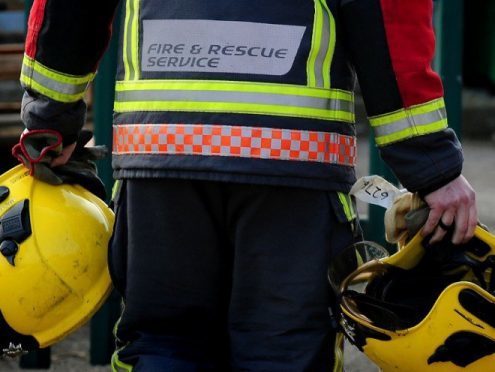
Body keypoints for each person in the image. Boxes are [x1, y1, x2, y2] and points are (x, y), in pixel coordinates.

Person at [19, 0, 477, 370]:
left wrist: (50, 121)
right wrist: (430, 166)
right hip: (290, 156)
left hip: (161, 147)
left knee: (164, 344)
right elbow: (387, 15)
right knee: (282, 349)